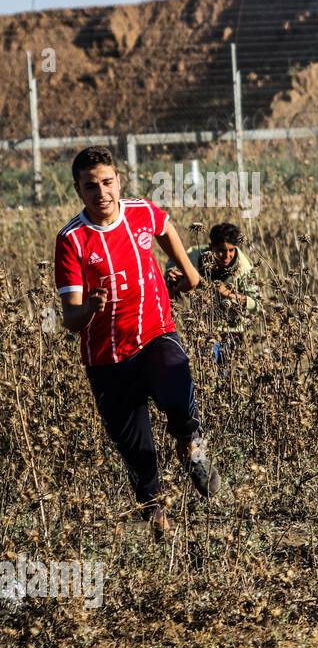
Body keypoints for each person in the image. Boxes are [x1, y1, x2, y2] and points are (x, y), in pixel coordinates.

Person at [53, 146, 220, 535]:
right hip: (108, 360)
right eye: (90, 186)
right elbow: (70, 320)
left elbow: (164, 227)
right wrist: (91, 306)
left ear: (118, 180)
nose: (101, 193)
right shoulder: (72, 240)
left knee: (176, 386)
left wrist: (189, 274)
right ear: (79, 191)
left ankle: (190, 445)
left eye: (107, 182)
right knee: (139, 454)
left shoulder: (141, 212)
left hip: (155, 334)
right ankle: (156, 511)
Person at [166, 221, 263, 363]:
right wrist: (171, 277)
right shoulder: (193, 256)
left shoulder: (244, 269)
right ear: (211, 247)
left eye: (231, 250)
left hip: (232, 331)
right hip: (201, 327)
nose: (227, 256)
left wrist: (228, 294)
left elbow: (256, 305)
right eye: (221, 251)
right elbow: (170, 273)